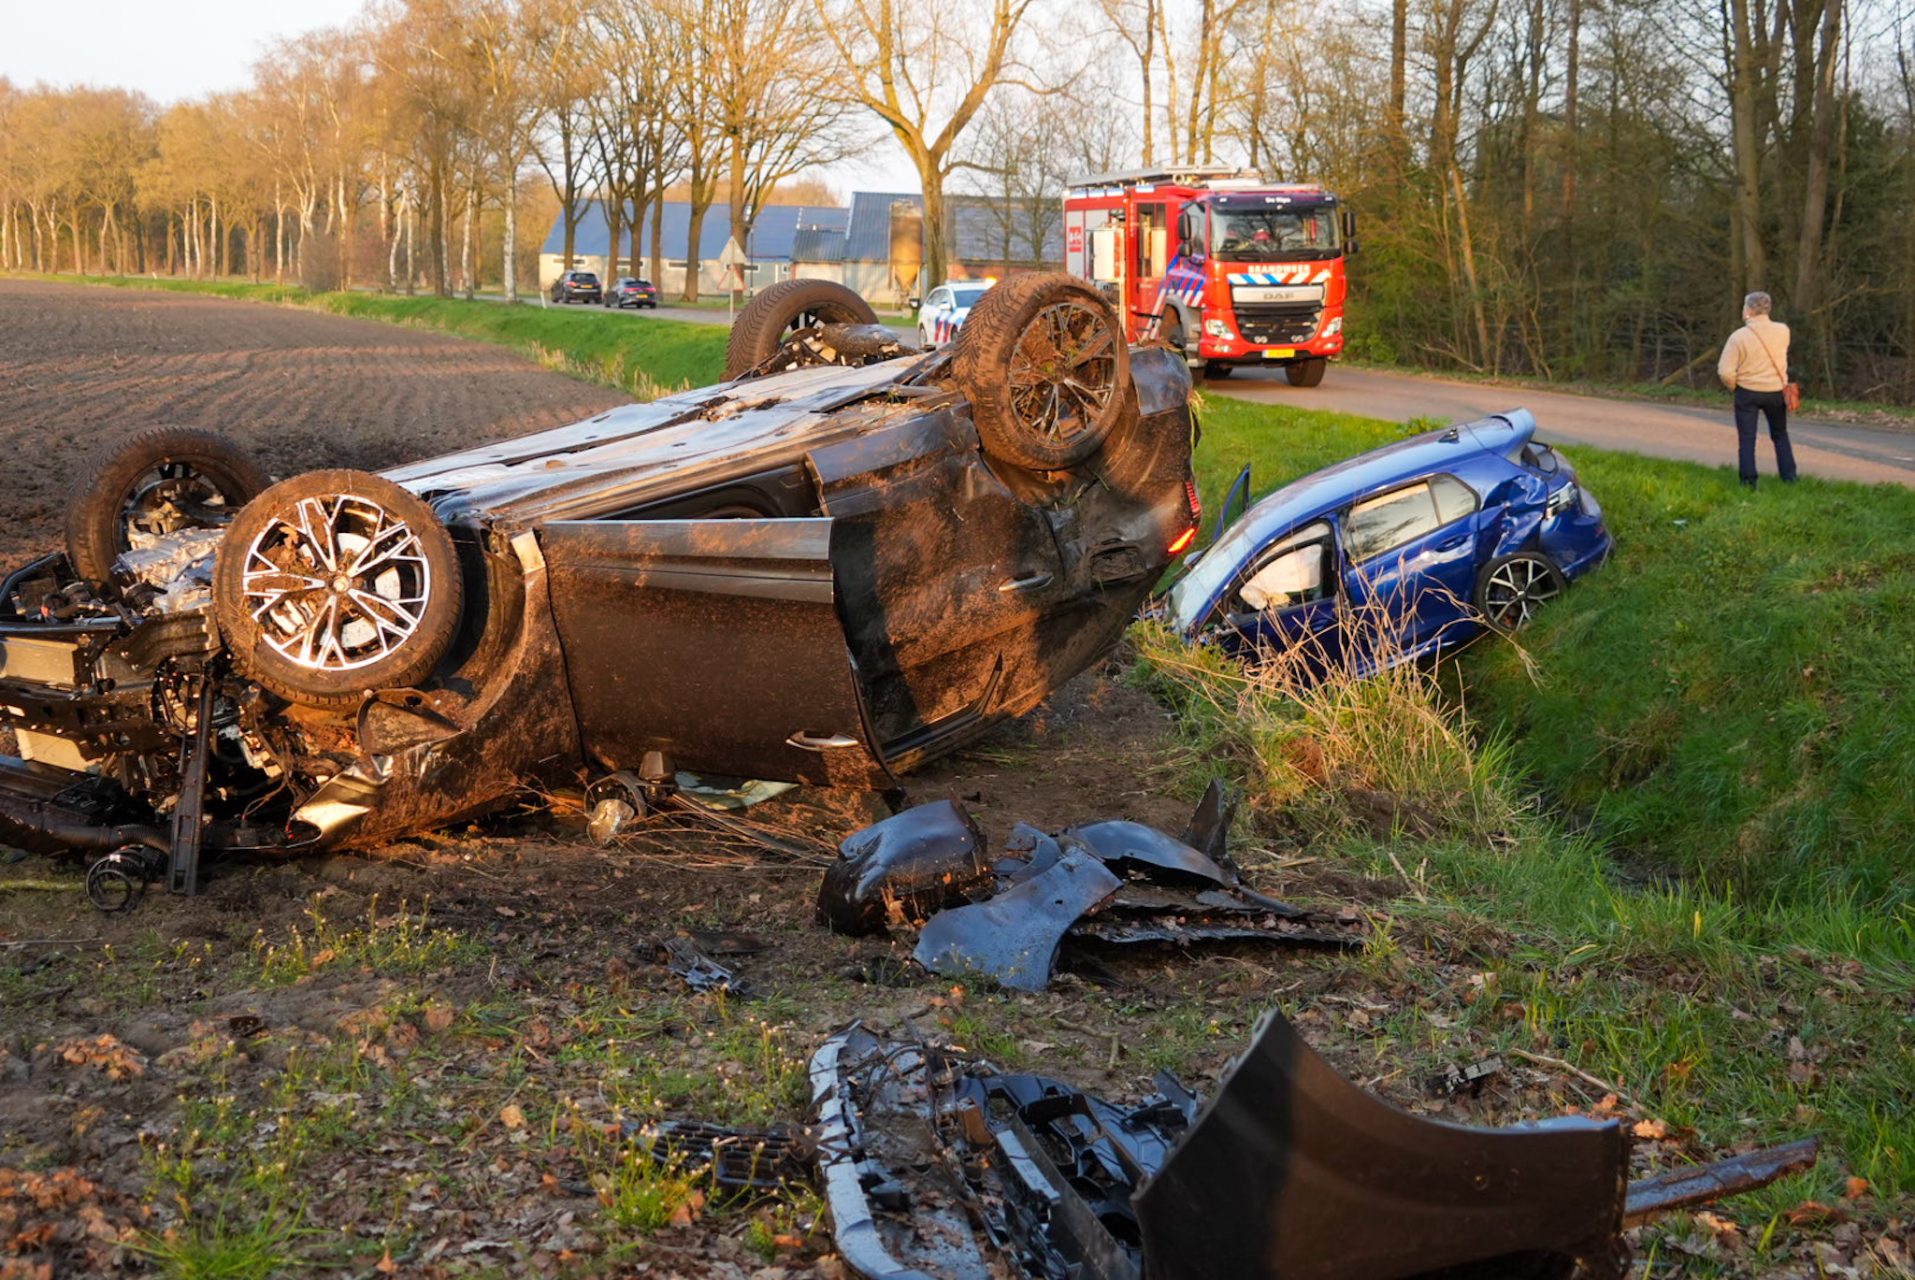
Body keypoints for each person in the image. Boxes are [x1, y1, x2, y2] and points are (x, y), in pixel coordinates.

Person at [1717, 291, 1798, 487]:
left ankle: (1748, 480)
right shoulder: (1783, 331)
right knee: (1780, 434)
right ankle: (1789, 477)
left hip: (1747, 391)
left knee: (1747, 438)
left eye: (1745, 306)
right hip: (1775, 391)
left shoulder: (1738, 337)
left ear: (1750, 310)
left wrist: (1734, 386)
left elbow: (1725, 371)